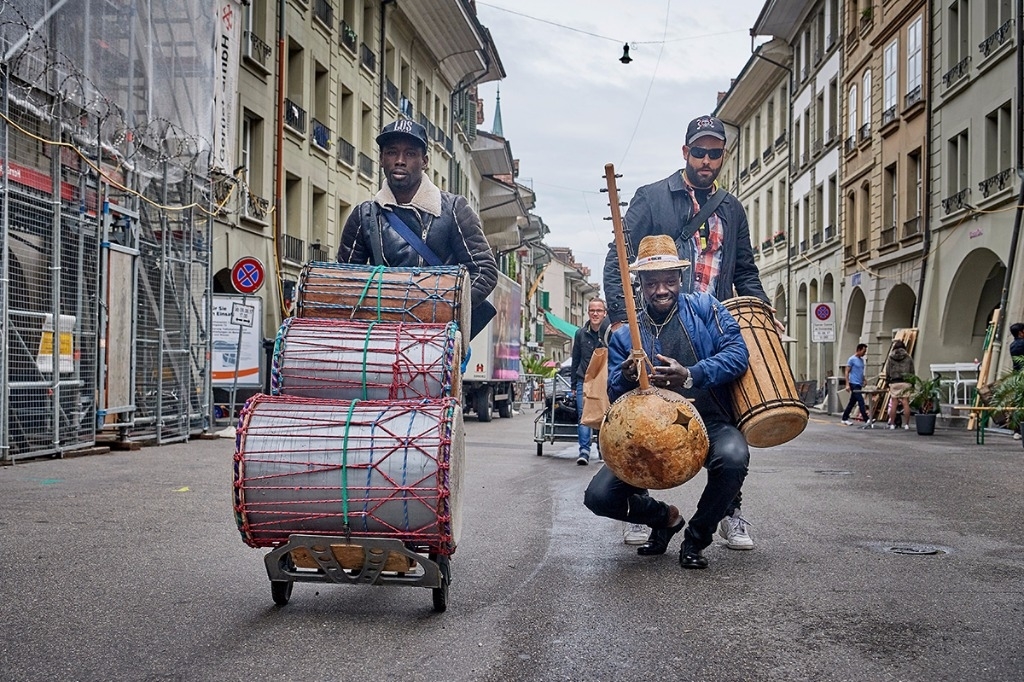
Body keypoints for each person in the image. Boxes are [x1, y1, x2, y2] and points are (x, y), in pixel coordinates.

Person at [602, 114, 764, 550]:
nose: (707, 160)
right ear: (685, 152)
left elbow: (745, 270)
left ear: (722, 156)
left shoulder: (730, 207)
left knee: (724, 425)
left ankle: (728, 510)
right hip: (652, 317)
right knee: (639, 415)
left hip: (708, 321)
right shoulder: (652, 197)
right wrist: (623, 320)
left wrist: (762, 315)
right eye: (699, 151)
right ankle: (639, 505)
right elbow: (618, 258)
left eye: (715, 153)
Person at [584, 235, 751, 569]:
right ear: (640, 284)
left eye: (669, 281)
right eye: (652, 283)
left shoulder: (705, 308)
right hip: (644, 435)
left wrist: (691, 374)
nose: (662, 290)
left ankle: (696, 538)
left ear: (680, 279)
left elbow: (738, 354)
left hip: (709, 422)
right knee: (599, 497)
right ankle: (665, 519)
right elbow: (614, 396)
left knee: (734, 458)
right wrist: (627, 377)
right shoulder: (624, 333)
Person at [337, 119, 498, 313]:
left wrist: (448, 310)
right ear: (381, 159)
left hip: (441, 333)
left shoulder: (455, 209)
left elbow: (484, 270)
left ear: (425, 161)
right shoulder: (363, 215)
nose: (400, 160)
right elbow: (345, 279)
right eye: (391, 152)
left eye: (410, 153)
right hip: (382, 331)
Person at [569, 298, 610, 466]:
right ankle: (584, 451)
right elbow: (575, 359)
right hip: (583, 380)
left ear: (604, 313)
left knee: (604, 414)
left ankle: (602, 450)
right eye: (592, 310)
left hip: (603, 381)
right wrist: (573, 385)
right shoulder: (580, 333)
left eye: (598, 311)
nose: (595, 313)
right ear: (588, 312)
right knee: (583, 416)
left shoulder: (610, 333)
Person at [884, 340, 915, 430]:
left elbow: (887, 371)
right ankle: (907, 424)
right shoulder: (908, 357)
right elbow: (912, 370)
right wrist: (912, 382)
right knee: (905, 403)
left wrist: (887, 381)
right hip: (905, 382)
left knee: (894, 403)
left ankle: (892, 424)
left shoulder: (890, 357)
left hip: (894, 382)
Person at [841, 344, 872, 426]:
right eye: (863, 351)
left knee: (852, 402)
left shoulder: (862, 360)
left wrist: (864, 379)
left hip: (859, 383)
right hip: (853, 383)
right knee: (861, 401)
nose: (864, 353)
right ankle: (866, 419)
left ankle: (844, 418)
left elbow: (861, 371)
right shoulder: (851, 359)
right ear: (858, 350)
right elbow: (847, 371)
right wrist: (847, 384)